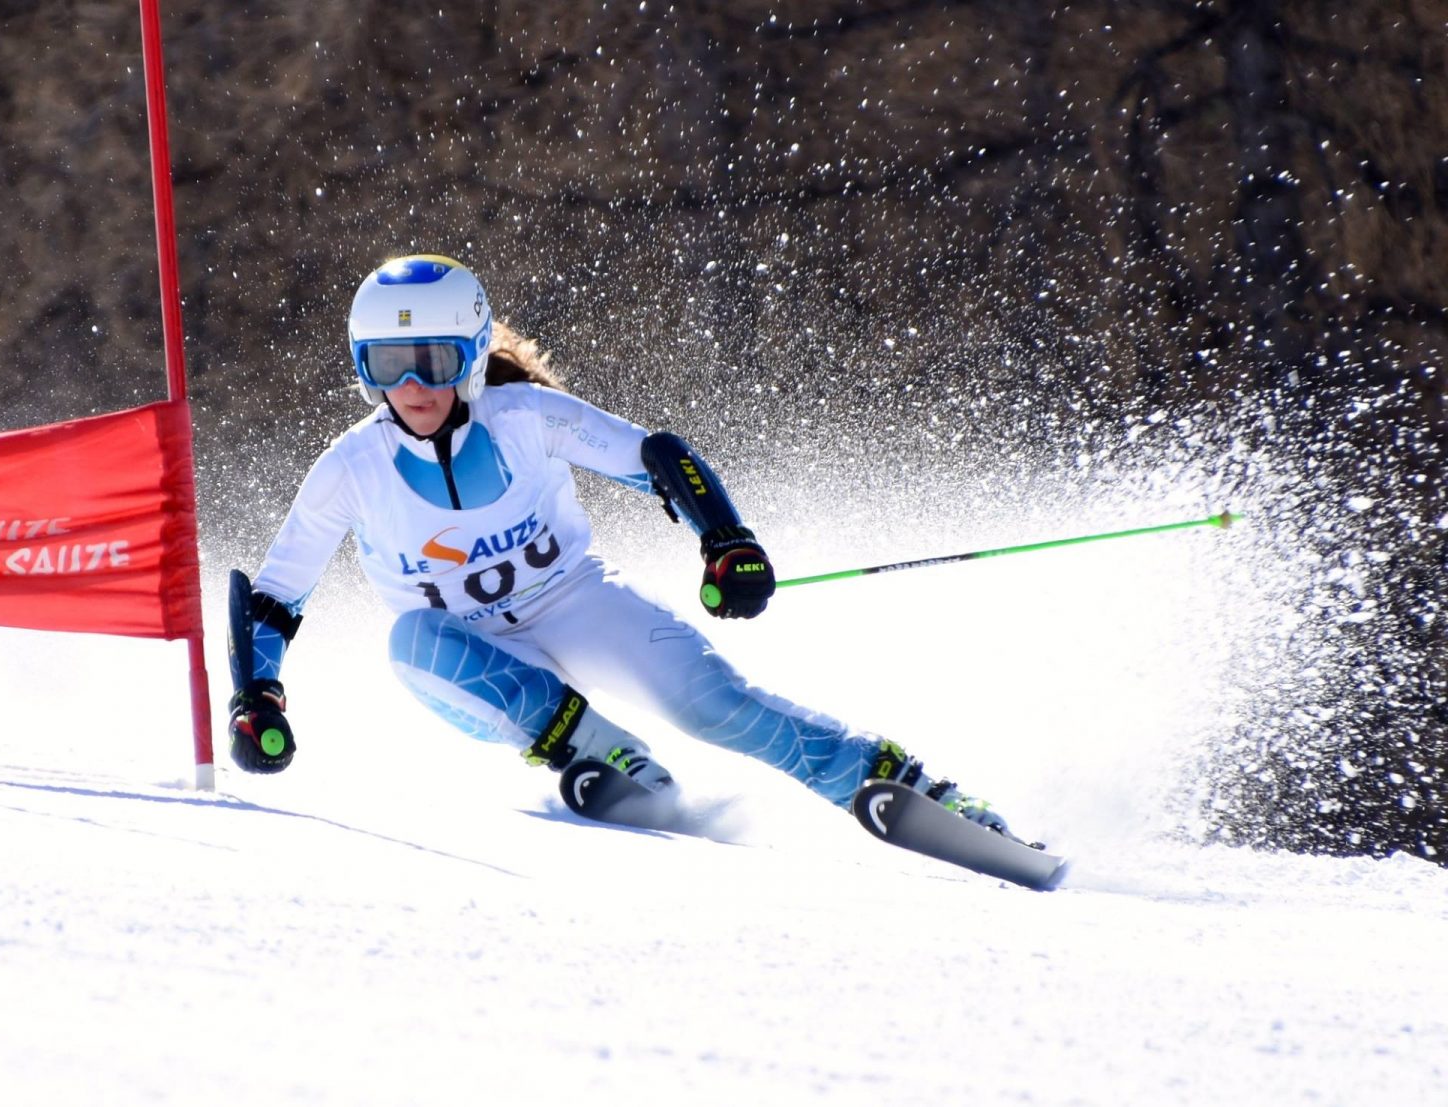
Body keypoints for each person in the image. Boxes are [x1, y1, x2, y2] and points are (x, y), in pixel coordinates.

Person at [227, 254, 1009, 834]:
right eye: (387, 365)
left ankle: (898, 781)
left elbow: (657, 457)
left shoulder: (526, 414)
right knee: (410, 642)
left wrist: (726, 540)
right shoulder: (349, 468)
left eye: (431, 360)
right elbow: (275, 595)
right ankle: (601, 752)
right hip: (475, 664)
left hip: (576, 603)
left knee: (721, 709)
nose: (413, 387)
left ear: (469, 355)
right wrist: (256, 694)